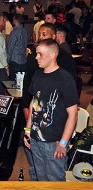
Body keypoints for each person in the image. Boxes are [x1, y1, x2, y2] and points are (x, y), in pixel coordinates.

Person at [21, 22, 77, 180]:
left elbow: (73, 114)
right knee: (41, 178)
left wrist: (64, 143)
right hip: (36, 139)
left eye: (40, 54)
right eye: (36, 53)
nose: (36, 57)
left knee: (55, 181)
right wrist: (27, 131)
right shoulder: (38, 75)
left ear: (53, 55)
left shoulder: (65, 79)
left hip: (54, 142)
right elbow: (34, 103)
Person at [7, 14, 28, 78]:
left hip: (15, 60)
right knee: (21, 81)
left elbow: (10, 46)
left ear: (15, 20)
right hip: (23, 60)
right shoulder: (25, 31)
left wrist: (7, 60)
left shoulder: (15, 31)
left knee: (14, 82)